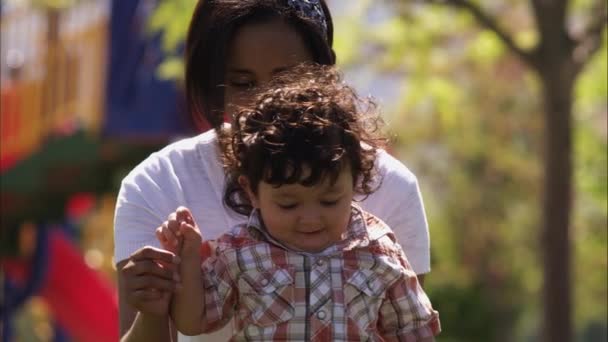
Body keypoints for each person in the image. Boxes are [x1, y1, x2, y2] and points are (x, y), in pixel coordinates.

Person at [114, 1, 431, 341]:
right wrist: (152, 310)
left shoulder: (391, 187)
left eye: (286, 79)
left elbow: (408, 328)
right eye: (242, 83)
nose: (265, 100)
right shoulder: (157, 185)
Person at [157, 65, 440, 340]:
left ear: (355, 182)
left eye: (329, 201)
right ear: (251, 192)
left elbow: (413, 330)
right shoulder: (239, 251)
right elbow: (194, 322)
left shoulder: (379, 249)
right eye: (288, 205)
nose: (310, 218)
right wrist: (188, 257)